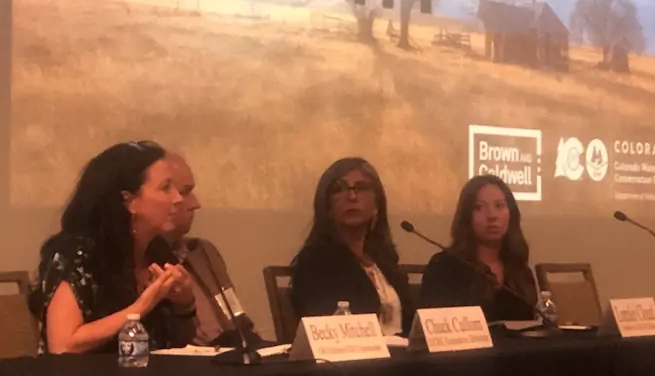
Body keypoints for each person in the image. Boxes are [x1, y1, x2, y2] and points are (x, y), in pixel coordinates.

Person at [28, 141, 197, 354]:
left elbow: (177, 346)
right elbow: (63, 345)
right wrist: (140, 308)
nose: (178, 198)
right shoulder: (77, 254)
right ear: (129, 201)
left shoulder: (158, 252)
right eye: (166, 188)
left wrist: (184, 304)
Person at [290, 157, 414, 336]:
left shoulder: (385, 260)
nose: (351, 196)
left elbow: (411, 323)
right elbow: (326, 330)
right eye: (339, 189)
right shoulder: (315, 263)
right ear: (327, 207)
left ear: (377, 205)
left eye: (361, 188)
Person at [164, 153, 267, 347]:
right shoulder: (142, 264)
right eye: (185, 192)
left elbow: (236, 316)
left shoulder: (202, 251)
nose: (196, 204)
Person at [420, 174, 538, 321]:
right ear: (466, 217)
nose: (492, 216)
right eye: (479, 207)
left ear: (511, 213)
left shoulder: (520, 270)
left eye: (499, 206)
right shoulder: (444, 267)